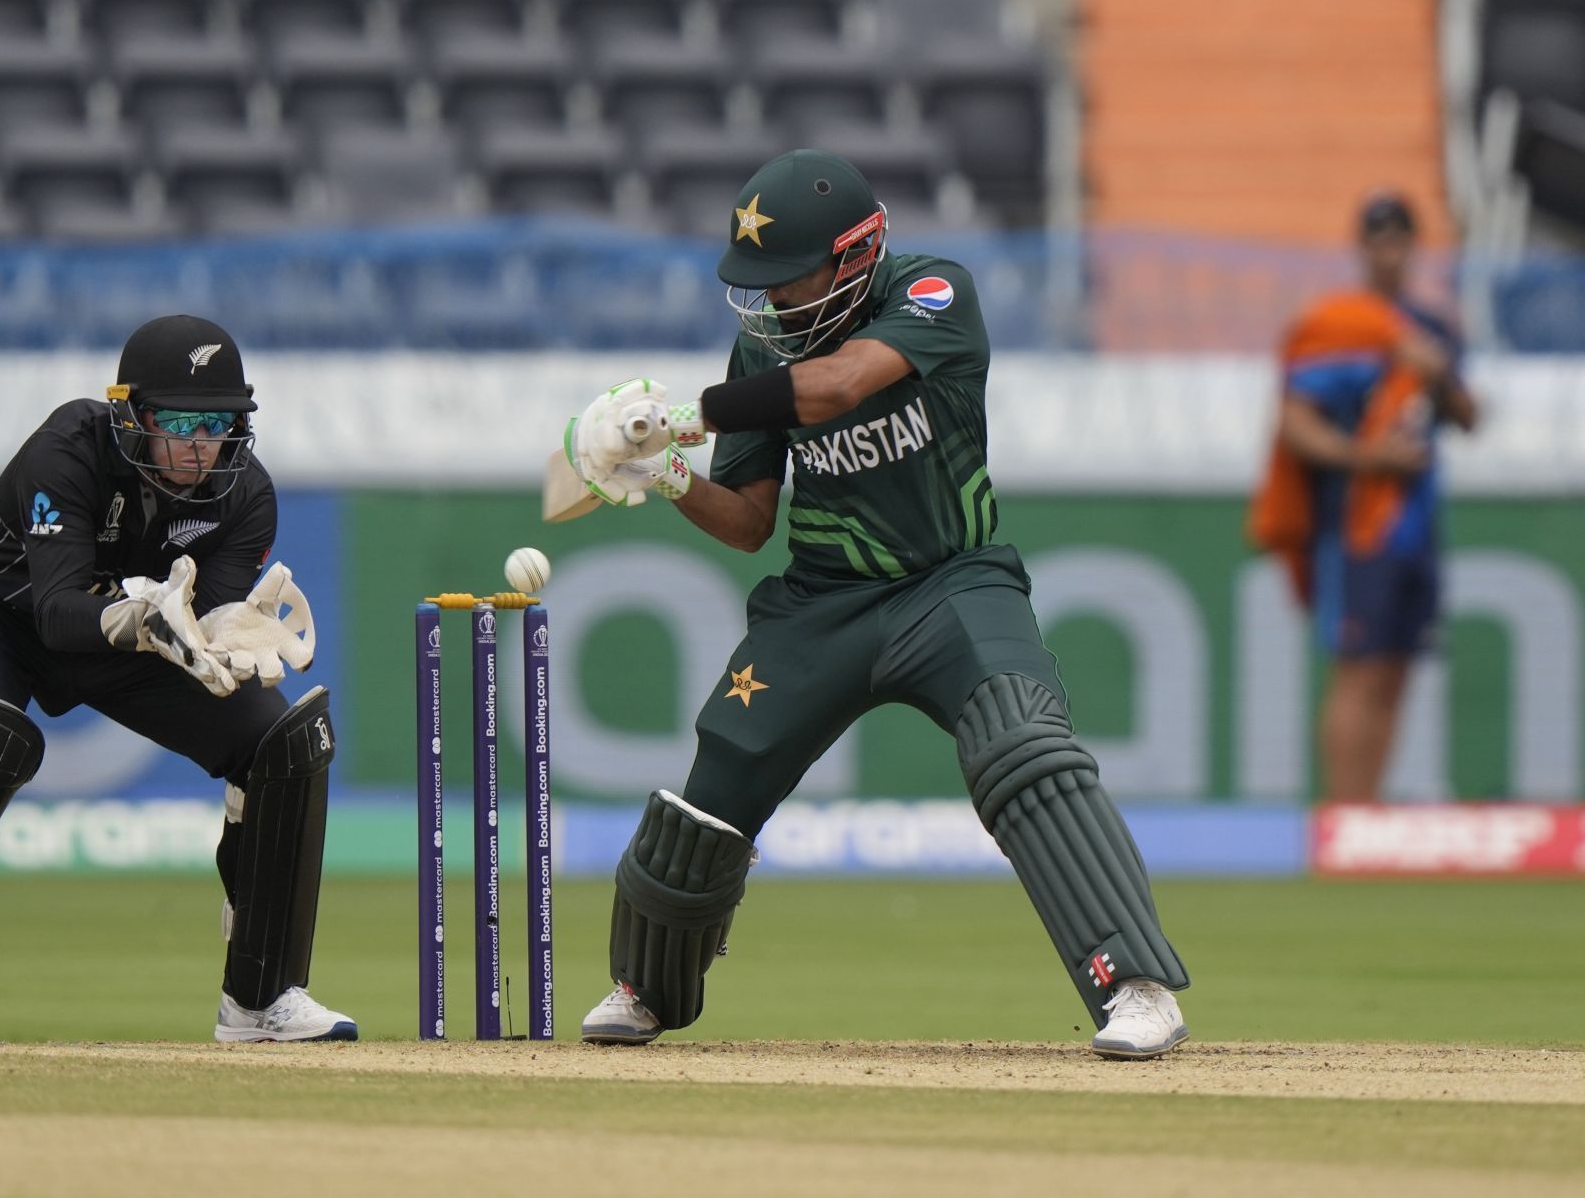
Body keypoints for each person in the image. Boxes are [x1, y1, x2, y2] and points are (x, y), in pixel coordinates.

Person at [560, 150, 1191, 1058]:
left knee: (1022, 744)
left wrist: (679, 415)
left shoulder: (934, 291)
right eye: (760, 284)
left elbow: (843, 383)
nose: (773, 302)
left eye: (789, 277)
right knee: (724, 765)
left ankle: (1134, 985)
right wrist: (664, 474)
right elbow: (746, 523)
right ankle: (647, 986)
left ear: (853, 256)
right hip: (822, 602)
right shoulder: (764, 348)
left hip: (952, 583)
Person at [0, 315, 354, 1045]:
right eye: (178, 421)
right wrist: (146, 620)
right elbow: (55, 611)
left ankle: (261, 1000)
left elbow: (206, 627)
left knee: (282, 740)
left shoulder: (245, 497)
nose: (199, 444)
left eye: (219, 422)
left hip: (127, 631)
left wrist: (228, 638)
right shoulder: (68, 449)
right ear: (130, 413)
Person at [1248, 194, 1479, 801]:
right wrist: (1366, 458)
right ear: (1362, 248)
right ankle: (1343, 812)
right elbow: (1295, 422)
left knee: (1396, 669)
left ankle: (1368, 810)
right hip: (1355, 525)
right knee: (1358, 669)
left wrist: (1436, 371)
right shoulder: (1339, 325)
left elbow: (1468, 415)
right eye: (1379, 241)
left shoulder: (1431, 326)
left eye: (1400, 240)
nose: (1390, 254)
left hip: (1416, 521)